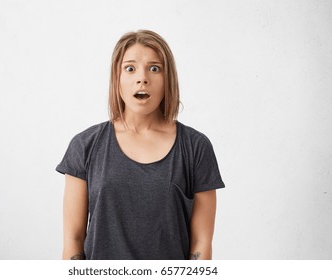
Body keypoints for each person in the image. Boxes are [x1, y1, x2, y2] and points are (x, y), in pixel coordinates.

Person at [56, 30, 225, 260]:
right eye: (130, 68)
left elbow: (201, 243)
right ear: (117, 78)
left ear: (168, 79)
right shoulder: (85, 145)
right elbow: (73, 241)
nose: (142, 78)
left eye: (154, 68)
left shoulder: (196, 147)